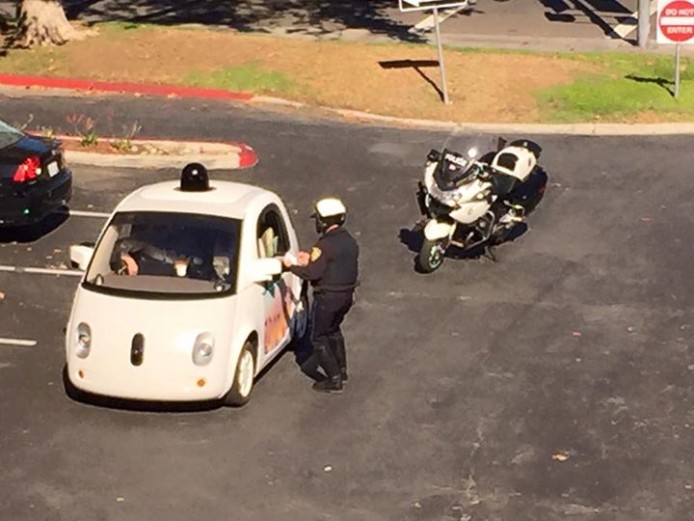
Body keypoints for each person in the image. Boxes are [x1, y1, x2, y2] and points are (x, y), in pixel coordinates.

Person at [282, 197, 359, 393]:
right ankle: (342, 370)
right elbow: (333, 264)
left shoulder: (323, 245)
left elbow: (312, 273)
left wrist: (291, 266)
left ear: (323, 221)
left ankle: (333, 379)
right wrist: (310, 259)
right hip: (346, 296)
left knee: (318, 336)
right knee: (334, 330)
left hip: (327, 298)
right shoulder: (349, 241)